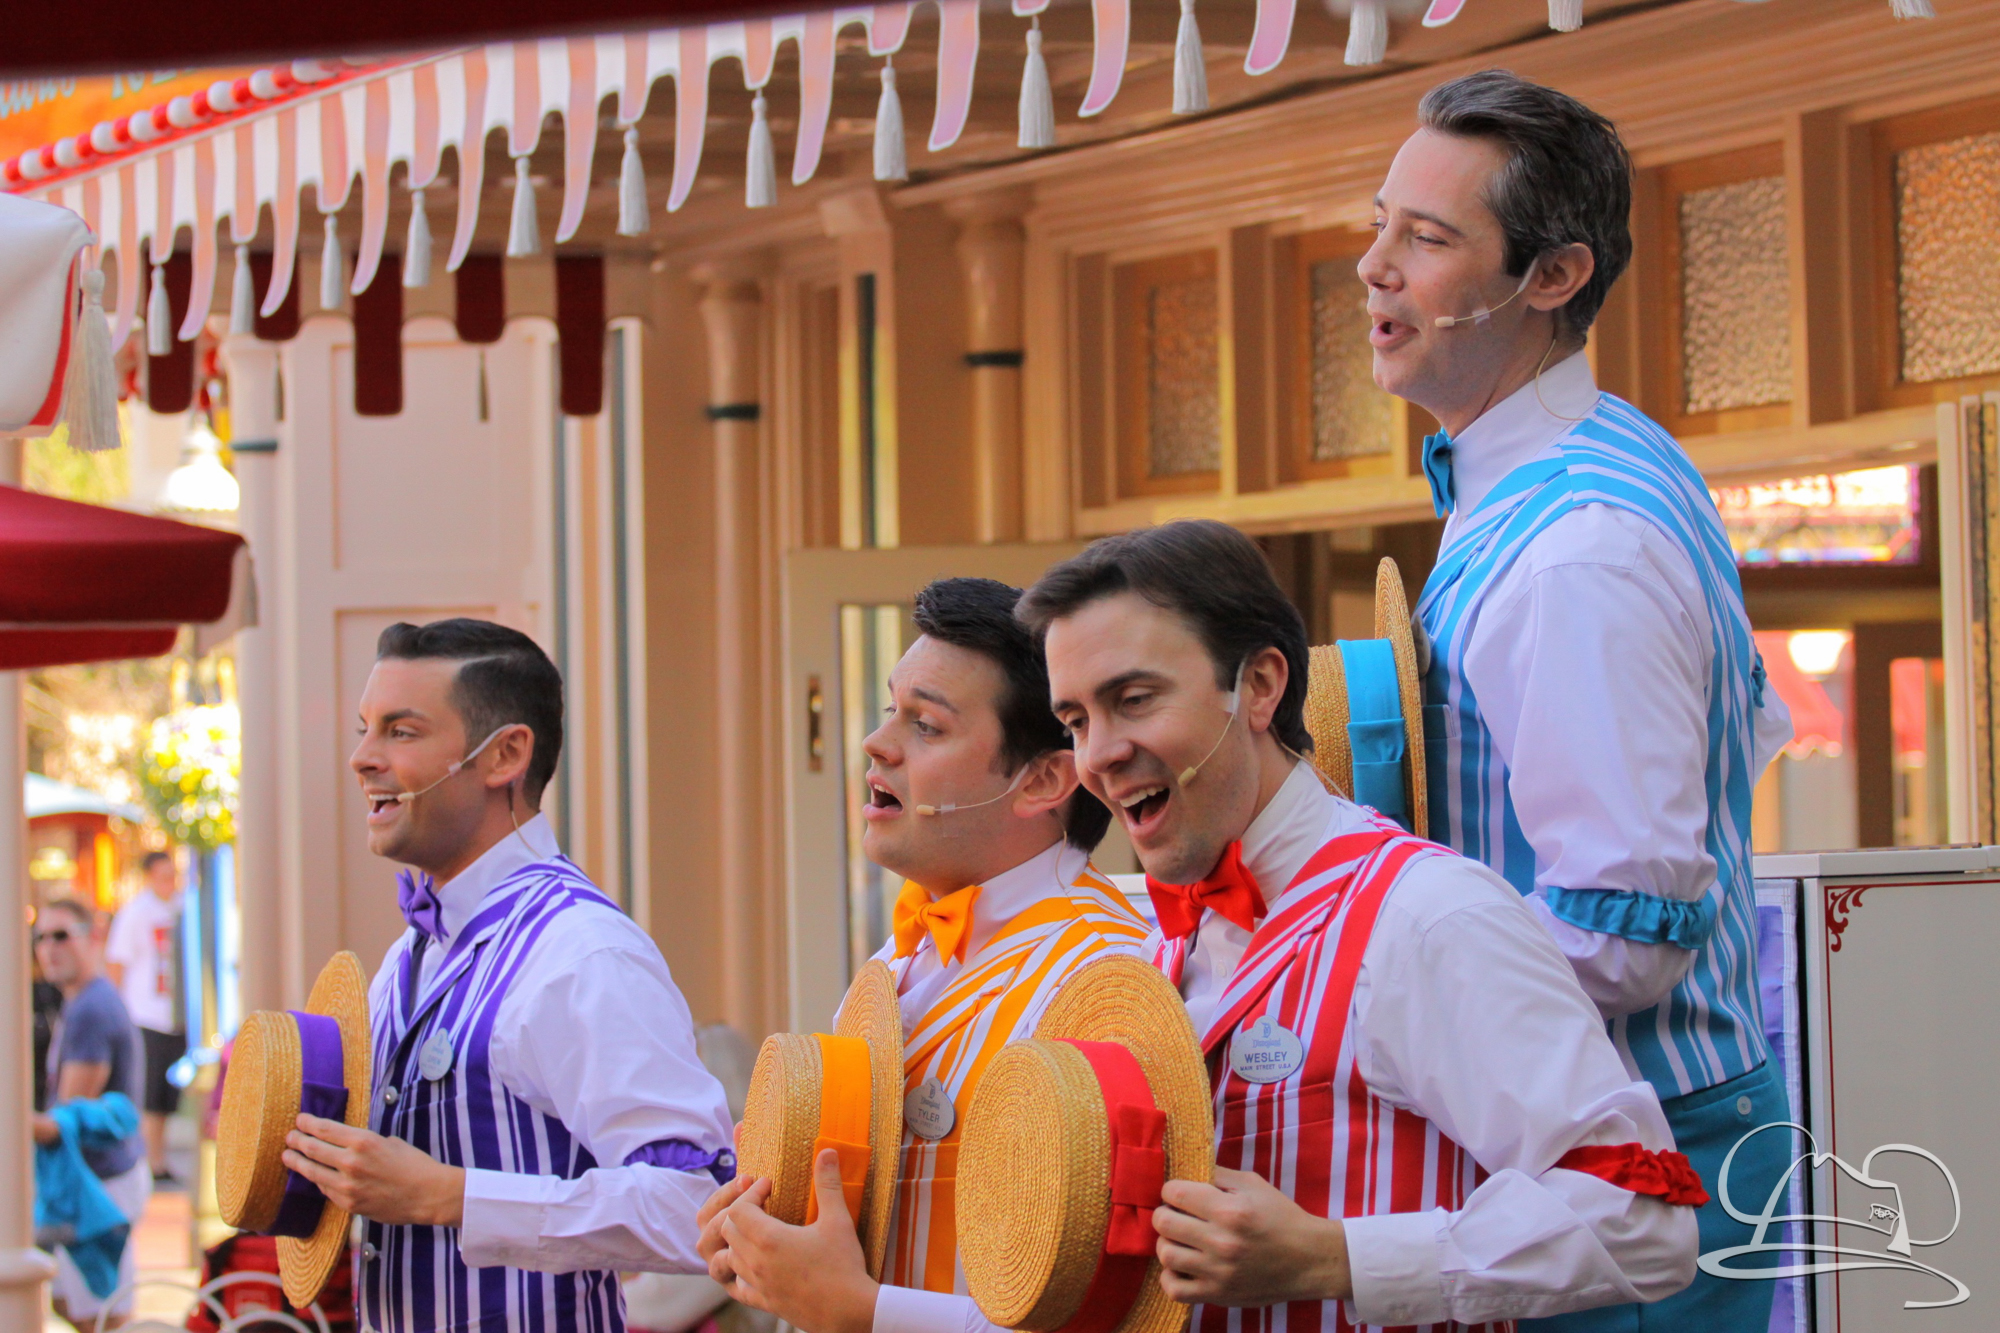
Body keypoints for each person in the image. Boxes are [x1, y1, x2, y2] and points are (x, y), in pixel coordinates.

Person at [1025, 520, 1701, 1331]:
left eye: (1133, 699)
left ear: (1261, 686)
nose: (1098, 754)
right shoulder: (1163, 940)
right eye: (1075, 720)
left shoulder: (1428, 916)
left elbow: (1641, 1217)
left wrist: (1334, 1256)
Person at [1360, 70, 1793, 1331]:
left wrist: (1369, 992)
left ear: (1551, 276)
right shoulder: (1597, 452)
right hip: (1622, 1135)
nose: (1373, 268)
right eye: (1379, 225)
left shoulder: (1575, 547)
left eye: (1424, 239)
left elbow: (1626, 934)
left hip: (1634, 1157)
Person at [698, 577, 1148, 1333]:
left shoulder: (1108, 977)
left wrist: (863, 1310)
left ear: (1043, 779)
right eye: (889, 710)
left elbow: (1119, 1311)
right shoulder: (898, 957)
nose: (876, 745)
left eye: (927, 725)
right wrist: (760, 1238)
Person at [279, 618, 735, 1333]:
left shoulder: (583, 953)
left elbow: (698, 1205)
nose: (362, 758)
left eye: (401, 731)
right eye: (365, 729)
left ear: (505, 755)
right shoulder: (406, 958)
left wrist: (451, 1196)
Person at [34, 897, 149, 1330]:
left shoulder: (91, 1009)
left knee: (102, 1315)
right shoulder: (83, 1000)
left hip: (100, 1184)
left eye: (61, 935)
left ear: (94, 938)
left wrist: (18, 1122)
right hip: (99, 1179)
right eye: (41, 938)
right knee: (71, 1304)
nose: (49, 948)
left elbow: (66, 1119)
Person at [105, 849, 185, 1183]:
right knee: (150, 1093)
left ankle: (158, 1158)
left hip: (176, 1015)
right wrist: (118, 1012)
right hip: (145, 1015)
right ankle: (151, 1160)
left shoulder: (181, 907)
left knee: (167, 1095)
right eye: (163, 875)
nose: (169, 881)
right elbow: (117, 964)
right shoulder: (135, 913)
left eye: (172, 874)